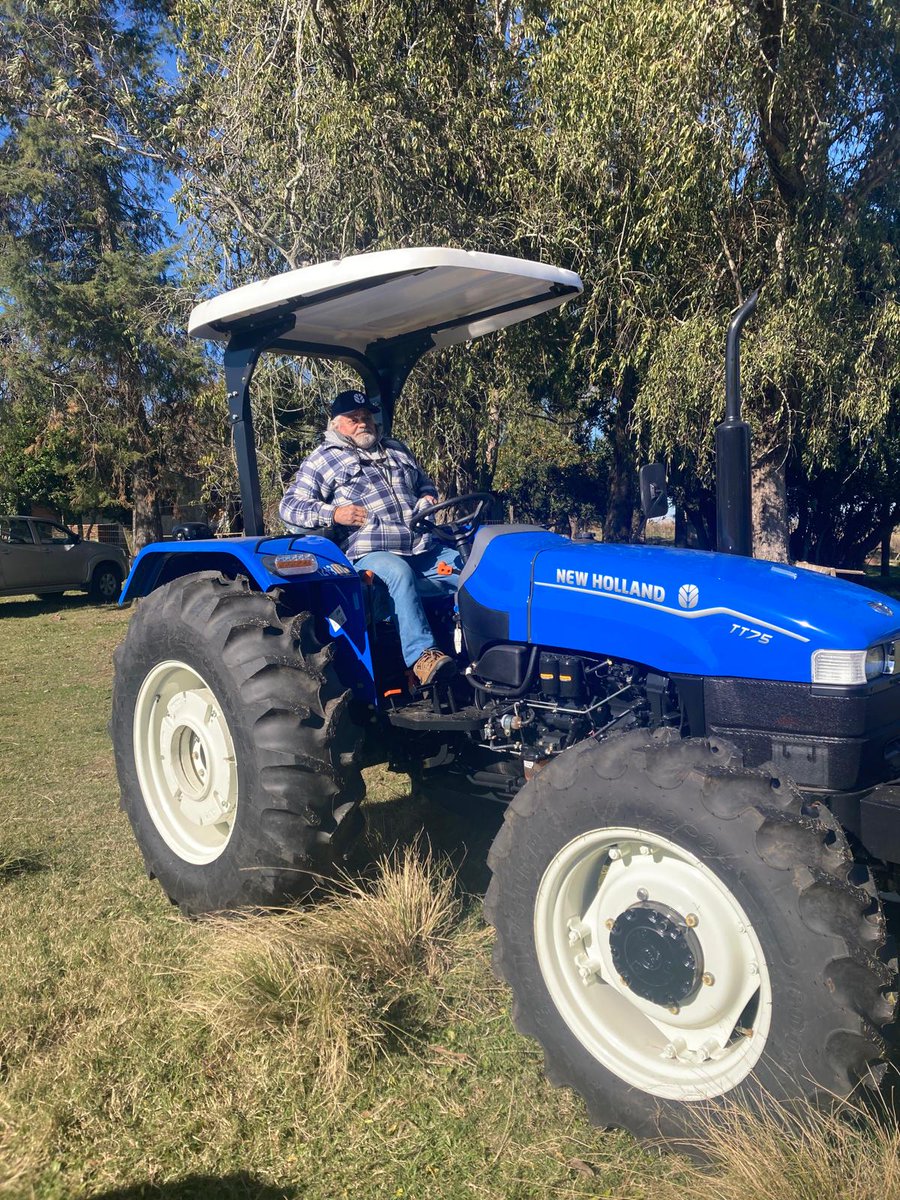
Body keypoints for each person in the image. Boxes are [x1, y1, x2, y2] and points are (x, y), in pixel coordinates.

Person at [279, 389, 462, 686]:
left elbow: (425, 483)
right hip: (371, 551)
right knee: (399, 573)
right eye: (354, 419)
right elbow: (290, 508)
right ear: (337, 424)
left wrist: (428, 497)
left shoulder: (396, 449)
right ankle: (422, 658)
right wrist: (334, 514)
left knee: (468, 567)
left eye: (366, 417)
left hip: (420, 544)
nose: (363, 423)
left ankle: (481, 649)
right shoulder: (323, 459)